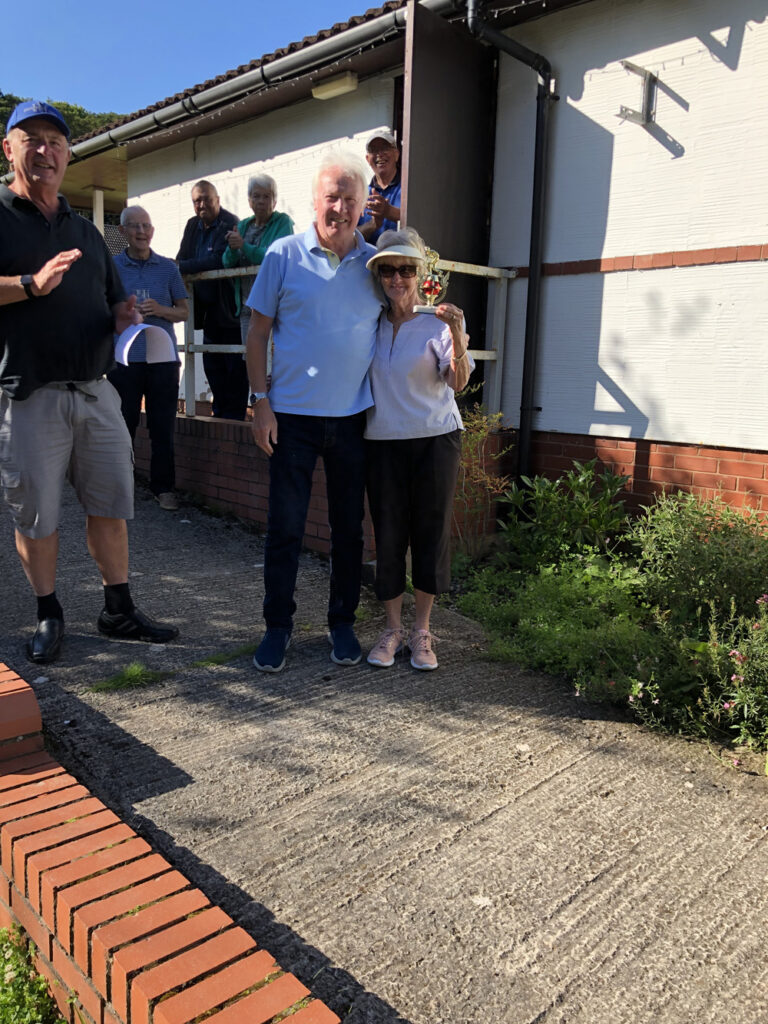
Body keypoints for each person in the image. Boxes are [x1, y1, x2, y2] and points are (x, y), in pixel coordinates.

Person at [0, 100, 179, 664]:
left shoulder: (85, 229)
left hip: (96, 389)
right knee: (38, 514)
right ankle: (49, 613)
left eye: (55, 141)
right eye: (32, 139)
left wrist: (123, 316)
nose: (45, 150)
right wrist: (31, 283)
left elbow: (107, 302)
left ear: (68, 154)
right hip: (30, 394)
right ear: (9, 149)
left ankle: (117, 609)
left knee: (112, 504)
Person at [245, 151, 383, 673]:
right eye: (332, 197)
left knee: (348, 529)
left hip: (353, 420)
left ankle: (342, 623)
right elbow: (257, 334)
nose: (341, 208)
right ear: (314, 202)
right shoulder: (282, 254)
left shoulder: (374, 264)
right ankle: (277, 627)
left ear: (362, 204)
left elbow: (404, 310)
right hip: (291, 419)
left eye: (351, 199)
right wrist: (261, 403)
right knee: (285, 527)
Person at [364, 227, 473, 671]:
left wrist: (459, 336)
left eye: (406, 268)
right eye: (388, 269)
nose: (397, 277)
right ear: (378, 275)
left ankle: (422, 631)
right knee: (388, 536)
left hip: (434, 440)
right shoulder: (366, 323)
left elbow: (458, 382)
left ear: (419, 272)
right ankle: (391, 629)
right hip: (382, 442)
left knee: (429, 536)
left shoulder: (439, 322)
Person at [109, 206, 188, 511]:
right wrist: (124, 315)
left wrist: (161, 310)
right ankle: (120, 486)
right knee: (122, 425)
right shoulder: (113, 267)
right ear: (122, 232)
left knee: (162, 425)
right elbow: (102, 308)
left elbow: (183, 311)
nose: (142, 232)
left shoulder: (168, 268)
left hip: (163, 359)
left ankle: (164, 487)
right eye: (134, 227)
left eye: (146, 226)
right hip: (125, 360)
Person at [176, 181, 247, 420]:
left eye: (207, 199)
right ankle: (220, 417)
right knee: (213, 368)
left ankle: (234, 421)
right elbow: (182, 257)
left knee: (234, 371)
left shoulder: (230, 223)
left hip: (229, 311)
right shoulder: (192, 225)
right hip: (205, 312)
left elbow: (218, 260)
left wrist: (183, 267)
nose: (202, 205)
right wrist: (182, 266)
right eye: (197, 201)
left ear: (217, 199)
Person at [222, 174, 294, 346]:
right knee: (252, 360)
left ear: (275, 201)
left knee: (275, 359)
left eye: (266, 196)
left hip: (276, 306)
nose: (261, 201)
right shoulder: (243, 225)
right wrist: (233, 249)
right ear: (249, 201)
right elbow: (226, 262)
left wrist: (243, 246)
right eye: (256, 196)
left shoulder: (283, 222)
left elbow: (275, 257)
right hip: (248, 306)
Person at [358, 130, 401, 244]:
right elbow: (349, 238)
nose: (380, 154)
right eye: (374, 150)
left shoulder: (410, 187)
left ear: (396, 154)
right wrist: (372, 225)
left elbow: (421, 221)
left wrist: (389, 211)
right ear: (367, 159)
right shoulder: (361, 194)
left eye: (385, 148)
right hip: (371, 261)